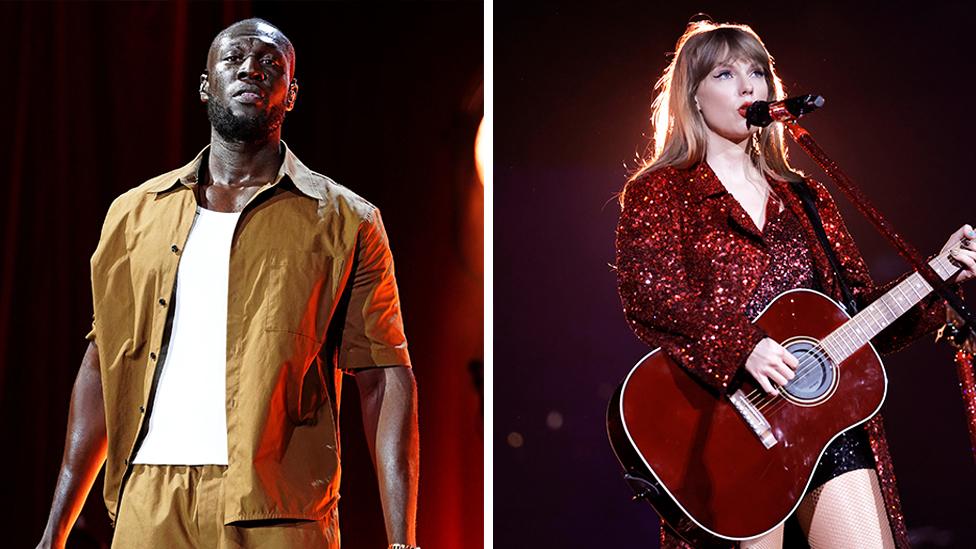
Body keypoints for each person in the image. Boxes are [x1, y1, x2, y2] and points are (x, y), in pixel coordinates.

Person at [36, 18, 419, 549]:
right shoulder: (133, 214)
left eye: (271, 64)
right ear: (204, 84)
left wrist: (402, 541)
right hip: (149, 499)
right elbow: (102, 365)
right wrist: (54, 531)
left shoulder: (346, 220)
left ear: (291, 95)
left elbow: (383, 378)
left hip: (275, 507)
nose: (251, 69)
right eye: (234, 58)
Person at [615, 20, 976, 549]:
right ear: (691, 97)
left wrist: (937, 278)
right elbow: (651, 296)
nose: (748, 86)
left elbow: (857, 318)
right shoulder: (661, 192)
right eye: (725, 73)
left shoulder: (806, 198)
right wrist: (743, 348)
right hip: (727, 424)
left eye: (758, 72)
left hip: (821, 424)